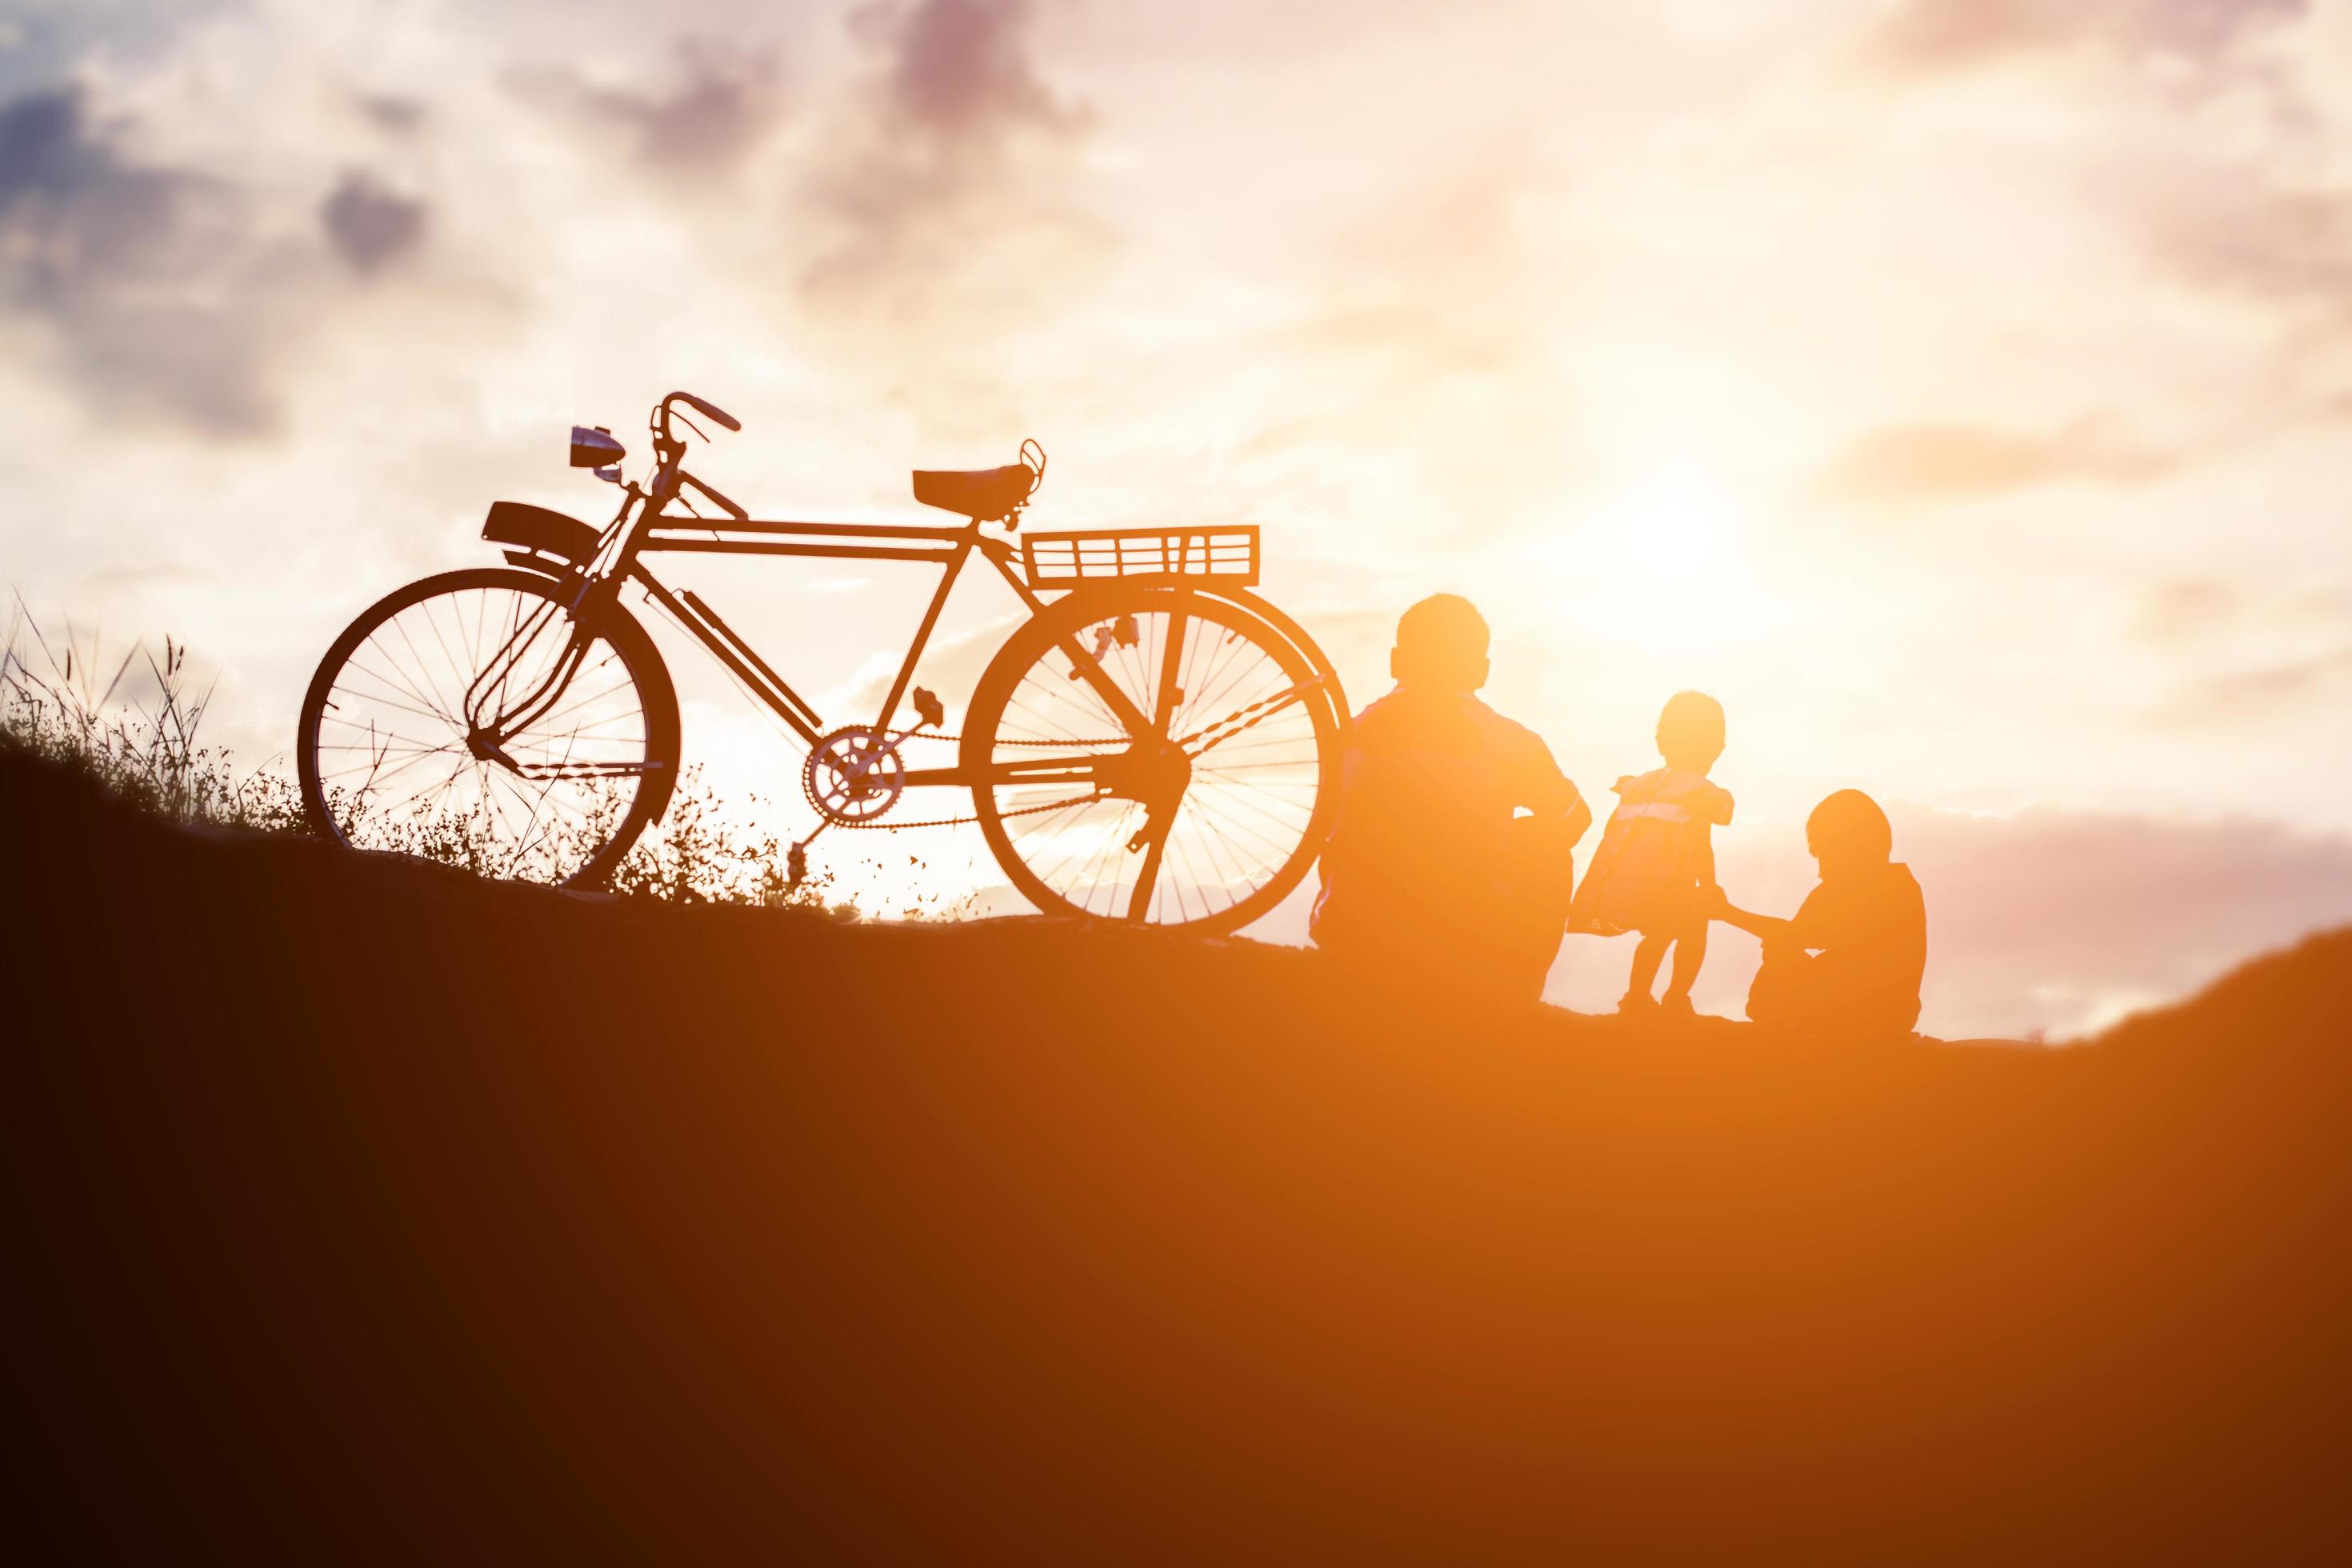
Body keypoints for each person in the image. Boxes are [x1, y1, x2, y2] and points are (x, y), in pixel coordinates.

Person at [1310, 594, 1591, 999]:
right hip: (1464, 947)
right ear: (1482, 671)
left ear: (1396, 661)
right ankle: (1516, 1001)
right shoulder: (1512, 741)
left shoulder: (1346, 737)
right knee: (1548, 846)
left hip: (1351, 934)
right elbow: (1575, 821)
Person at [1710, 789, 1928, 1038]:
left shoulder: (1855, 888)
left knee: (1778, 955)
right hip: (1896, 1013)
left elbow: (1793, 934)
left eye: (1822, 853)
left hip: (1859, 1007)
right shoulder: (1902, 883)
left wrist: (1725, 913)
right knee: (1783, 954)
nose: (1819, 871)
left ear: (1845, 846)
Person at [1569, 691, 1733, 1018]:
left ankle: (1637, 995)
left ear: (1661, 741)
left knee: (1657, 937)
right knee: (1693, 931)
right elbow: (1701, 842)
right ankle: (1675, 997)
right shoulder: (1701, 792)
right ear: (1716, 748)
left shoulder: (1640, 785)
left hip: (1631, 880)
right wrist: (1710, 887)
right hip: (1674, 880)